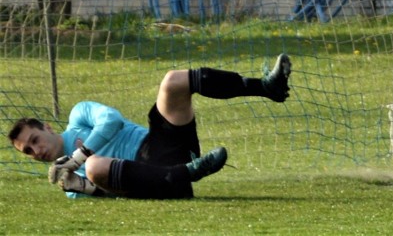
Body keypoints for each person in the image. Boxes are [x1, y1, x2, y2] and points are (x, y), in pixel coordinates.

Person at [7, 53, 291, 199]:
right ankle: (186, 174)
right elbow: (116, 195)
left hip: (157, 144)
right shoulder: (66, 181)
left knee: (173, 82)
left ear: (47, 127)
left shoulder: (79, 115)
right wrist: (85, 187)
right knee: (95, 170)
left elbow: (112, 120)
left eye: (34, 139)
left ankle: (267, 87)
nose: (36, 150)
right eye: (29, 151)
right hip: (160, 180)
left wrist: (80, 155)